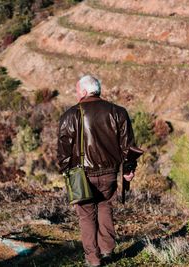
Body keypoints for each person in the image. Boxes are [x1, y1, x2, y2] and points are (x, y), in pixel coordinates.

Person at [56, 75, 137, 267]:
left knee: (86, 215)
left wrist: (66, 172)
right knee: (105, 208)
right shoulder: (119, 112)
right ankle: (107, 251)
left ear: (84, 92)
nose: (77, 95)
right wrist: (128, 170)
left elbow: (63, 152)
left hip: (81, 175)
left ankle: (93, 259)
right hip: (109, 173)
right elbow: (129, 147)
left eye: (77, 91)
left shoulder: (69, 115)